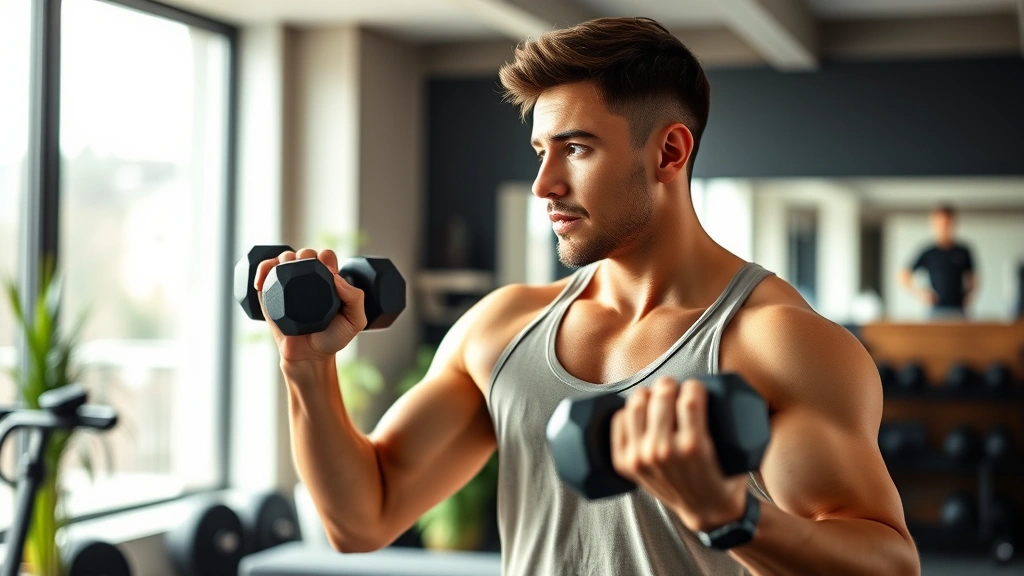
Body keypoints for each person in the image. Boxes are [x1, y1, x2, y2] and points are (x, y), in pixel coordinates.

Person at [253, 17, 919, 576]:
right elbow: (362, 518)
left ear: (669, 152)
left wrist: (732, 517)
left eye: (575, 148)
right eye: (540, 150)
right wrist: (307, 366)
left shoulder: (777, 343)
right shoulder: (502, 327)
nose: (543, 184)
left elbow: (888, 564)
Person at [899, 204, 976, 318]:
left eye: (947, 224)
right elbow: (903, 275)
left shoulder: (963, 251)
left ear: (953, 224)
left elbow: (973, 278)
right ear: (934, 224)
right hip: (935, 309)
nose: (944, 228)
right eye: (940, 224)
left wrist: (969, 296)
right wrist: (921, 294)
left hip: (958, 309)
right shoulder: (928, 252)